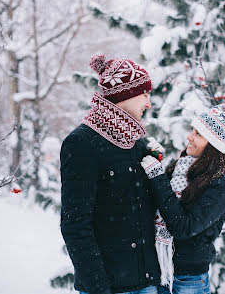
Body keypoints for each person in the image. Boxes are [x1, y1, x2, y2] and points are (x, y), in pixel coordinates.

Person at [60, 54, 163, 294]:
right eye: (145, 94)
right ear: (124, 94)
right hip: (110, 287)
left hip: (147, 283)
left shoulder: (137, 144)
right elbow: (75, 225)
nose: (148, 103)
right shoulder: (82, 143)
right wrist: (99, 288)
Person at [140, 99, 225, 294]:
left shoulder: (219, 185)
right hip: (160, 271)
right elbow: (159, 202)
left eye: (198, 134)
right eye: (192, 130)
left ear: (213, 144)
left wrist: (158, 178)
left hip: (188, 279)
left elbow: (183, 227)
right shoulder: (182, 167)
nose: (189, 137)